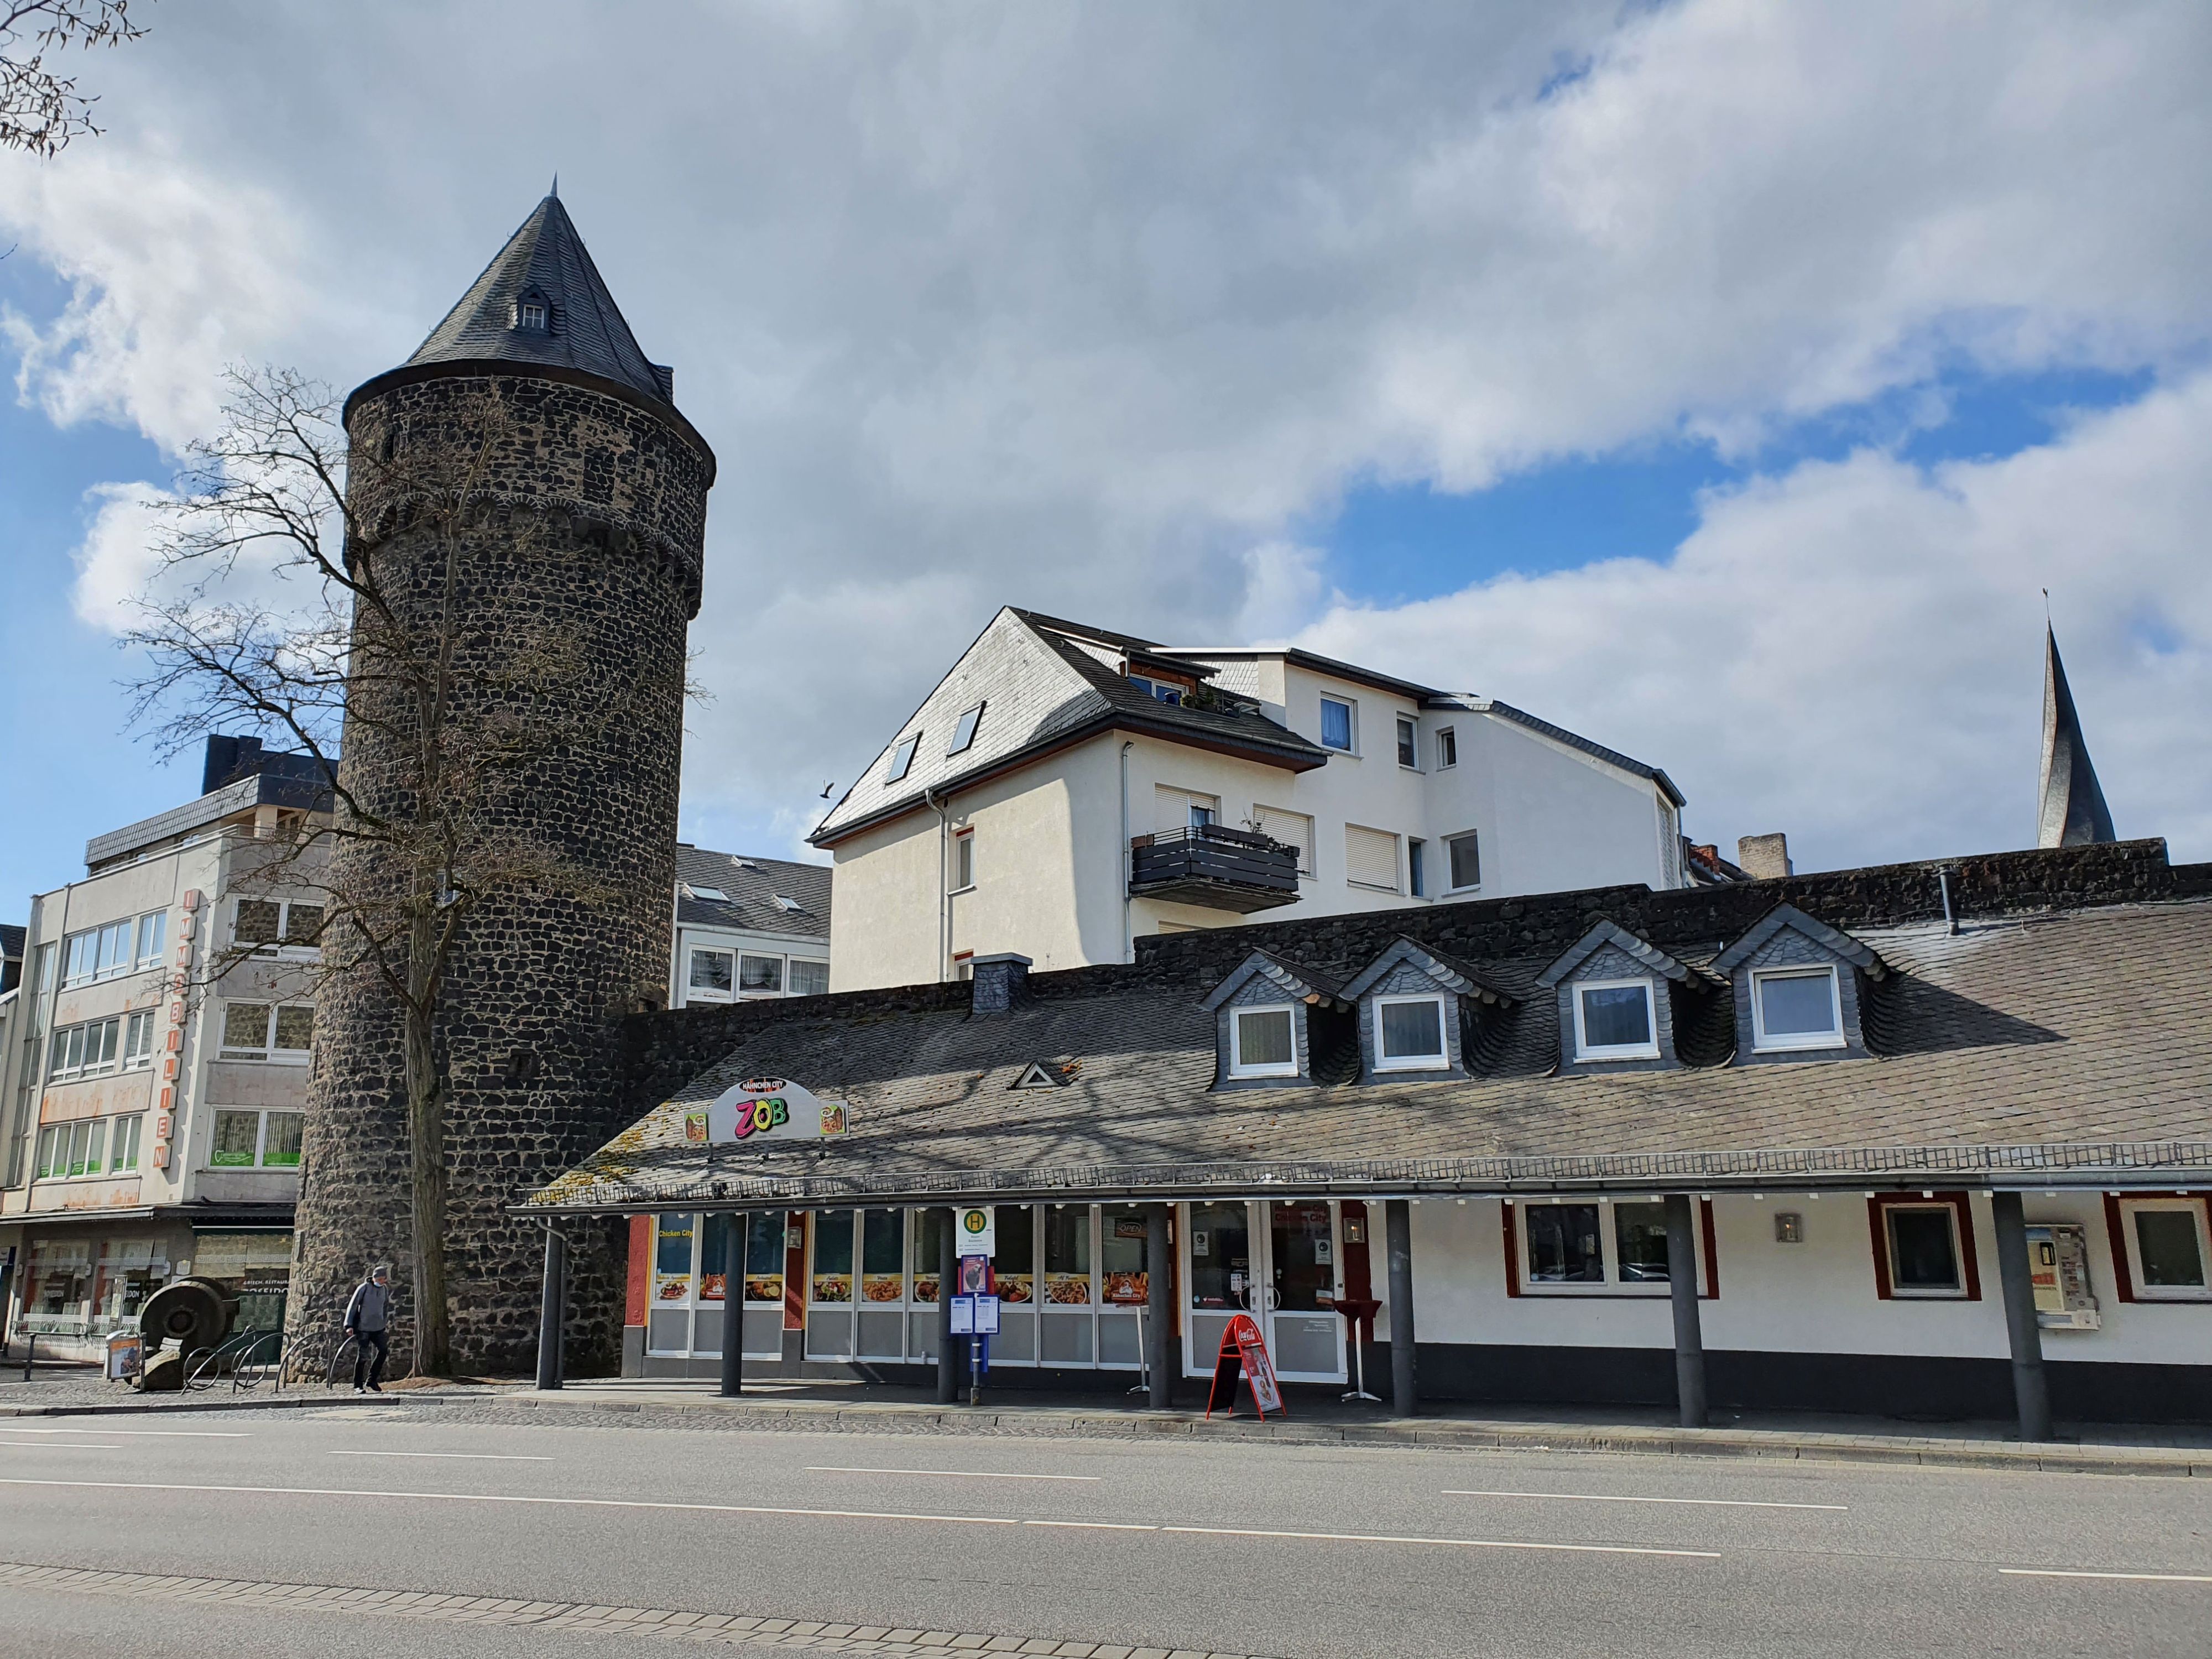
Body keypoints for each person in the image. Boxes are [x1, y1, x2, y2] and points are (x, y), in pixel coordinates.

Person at [343, 1265, 392, 1393]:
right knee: (363, 1356)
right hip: (364, 1327)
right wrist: (349, 1325)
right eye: (381, 1279)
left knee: (383, 1350)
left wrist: (384, 1321)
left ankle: (372, 1379)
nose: (383, 1281)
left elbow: (385, 1306)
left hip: (378, 1328)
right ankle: (357, 1385)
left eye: (384, 1279)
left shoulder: (384, 1290)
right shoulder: (364, 1288)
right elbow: (353, 1306)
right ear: (375, 1278)